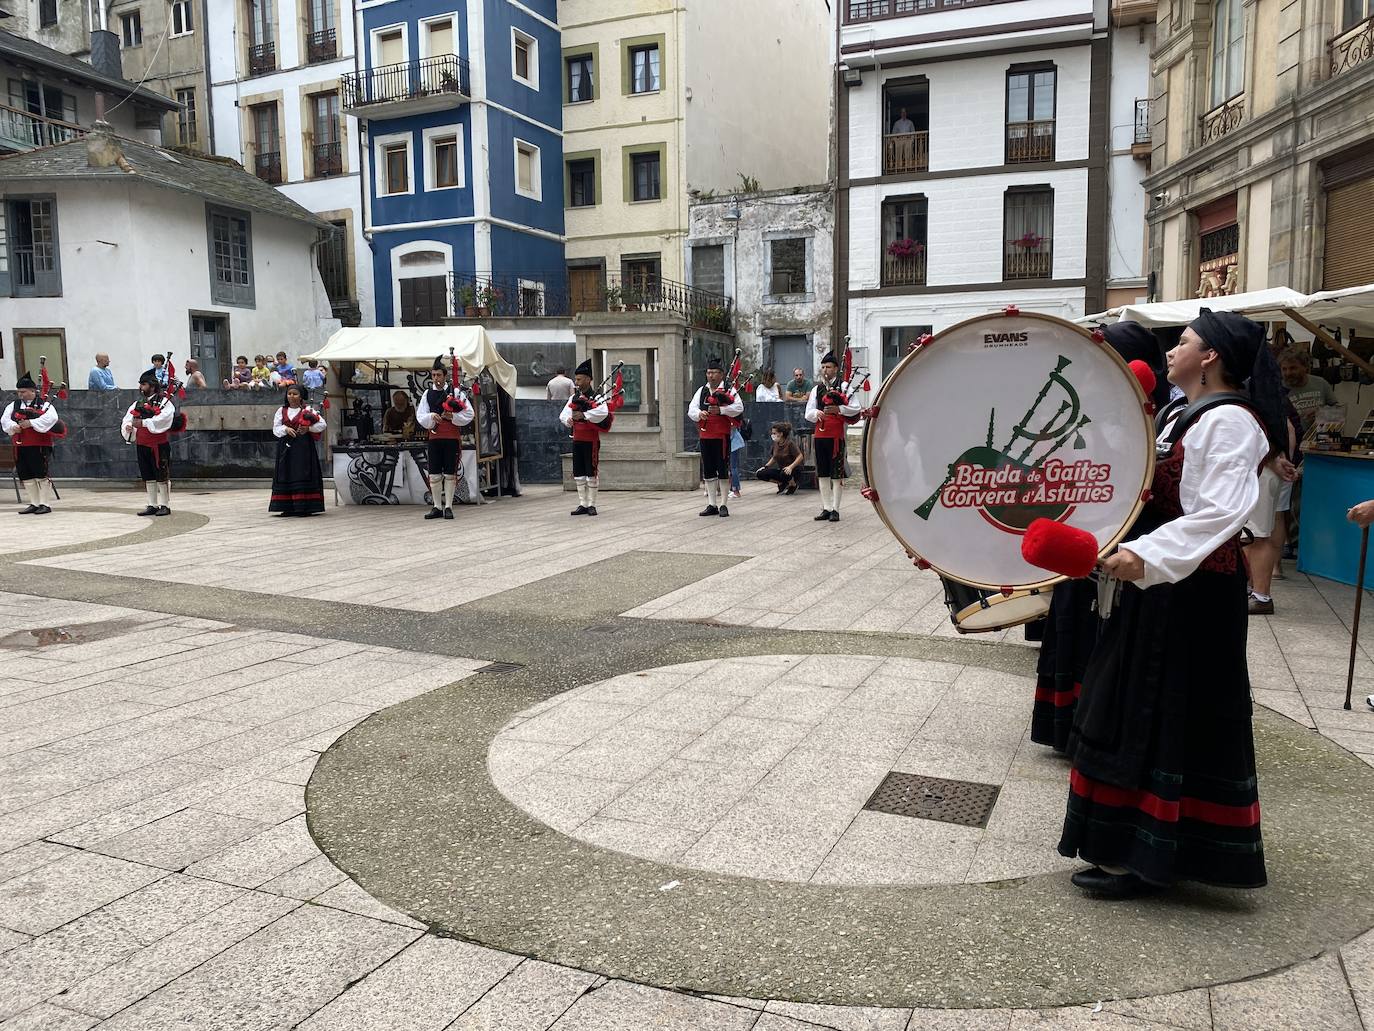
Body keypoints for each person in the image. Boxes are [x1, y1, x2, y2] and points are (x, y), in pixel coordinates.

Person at [1058, 309, 1282, 899]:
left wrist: (1148, 557)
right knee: (1137, 706)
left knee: (1165, 710)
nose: (1171, 352)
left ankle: (1150, 856)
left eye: (1182, 342)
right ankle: (1132, 847)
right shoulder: (1186, 414)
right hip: (1162, 586)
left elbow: (1219, 513)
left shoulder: (1231, 422)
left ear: (1210, 357)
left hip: (1192, 592)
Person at [1032, 321, 1169, 752]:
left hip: (1122, 536)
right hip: (1084, 531)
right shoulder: (1092, 405)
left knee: (1103, 633)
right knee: (1076, 625)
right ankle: (1068, 726)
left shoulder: (1147, 414)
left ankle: (1094, 728)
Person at [805, 351, 861, 523]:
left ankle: (836, 509)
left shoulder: (844, 387)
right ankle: (826, 507)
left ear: (836, 368)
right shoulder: (817, 389)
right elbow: (808, 413)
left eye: (828, 367)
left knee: (836, 473)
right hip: (820, 435)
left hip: (837, 436)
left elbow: (856, 408)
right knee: (822, 473)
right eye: (822, 367)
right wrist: (817, 412)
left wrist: (839, 409)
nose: (825, 370)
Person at [416, 357, 473, 520]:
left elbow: (469, 413)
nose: (436, 378)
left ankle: (448, 506)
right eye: (433, 375)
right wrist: (431, 416)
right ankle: (436, 506)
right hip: (434, 438)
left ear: (445, 375)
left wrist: (452, 416)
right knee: (434, 474)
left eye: (438, 375)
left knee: (449, 474)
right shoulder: (427, 394)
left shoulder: (455, 392)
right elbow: (420, 415)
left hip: (451, 438)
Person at [688, 356, 743, 517]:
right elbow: (691, 409)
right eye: (708, 372)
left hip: (722, 435)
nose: (710, 376)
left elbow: (738, 407)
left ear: (721, 374)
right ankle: (712, 504)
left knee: (722, 469)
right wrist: (700, 413)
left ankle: (724, 503)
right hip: (706, 435)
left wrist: (722, 411)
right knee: (709, 470)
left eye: (714, 372)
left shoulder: (728, 389)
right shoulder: (702, 390)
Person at [2, 372, 60, 515]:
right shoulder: (13, 405)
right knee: (25, 474)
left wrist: (31, 423)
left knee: (40, 473)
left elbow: (52, 419)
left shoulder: (44, 404)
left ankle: (45, 504)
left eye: (23, 392)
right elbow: (5, 420)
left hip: (39, 444)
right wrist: (12, 426)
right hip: (20, 444)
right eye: (19, 392)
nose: (20, 395)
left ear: (33, 391)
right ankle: (34, 503)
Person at [122, 370, 177, 517]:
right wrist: (129, 427)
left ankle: (165, 505)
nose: (141, 387)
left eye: (144, 384)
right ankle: (152, 504)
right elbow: (128, 418)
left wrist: (144, 422)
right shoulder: (137, 403)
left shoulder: (165, 402)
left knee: (162, 475)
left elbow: (165, 419)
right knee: (148, 475)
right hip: (142, 444)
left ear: (152, 386)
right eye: (140, 384)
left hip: (158, 445)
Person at [559, 359, 609, 516]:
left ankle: (592, 504)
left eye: (579, 379)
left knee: (591, 472)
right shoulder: (574, 398)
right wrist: (568, 420)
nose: (577, 382)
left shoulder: (597, 397)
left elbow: (603, 412)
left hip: (591, 441)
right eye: (576, 379)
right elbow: (564, 414)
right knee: (579, 471)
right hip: (577, 439)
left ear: (588, 379)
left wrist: (584, 414)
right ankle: (583, 503)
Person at [269, 384, 326, 516]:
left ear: (301, 396)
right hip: (286, 448)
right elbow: (275, 429)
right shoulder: (281, 411)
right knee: (286, 473)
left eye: (295, 394)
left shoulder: (308, 410)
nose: (292, 396)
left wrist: (308, 429)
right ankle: (287, 507)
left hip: (303, 448)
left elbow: (322, 424)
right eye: (289, 394)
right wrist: (286, 429)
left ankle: (304, 506)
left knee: (302, 473)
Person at [1279, 348, 1336, 431]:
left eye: (1293, 368)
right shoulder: (1277, 389)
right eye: (1284, 369)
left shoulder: (1321, 383)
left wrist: (1322, 413)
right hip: (1292, 440)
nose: (1288, 373)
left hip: (1321, 437)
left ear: (1305, 367)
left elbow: (1339, 411)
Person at [756, 421, 802, 495]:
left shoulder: (790, 443)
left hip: (793, 470)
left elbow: (800, 456)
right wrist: (765, 466)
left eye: (774, 433)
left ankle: (792, 484)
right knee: (760, 473)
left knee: (785, 472)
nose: (772, 435)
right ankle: (781, 483)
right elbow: (774, 457)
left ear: (781, 434)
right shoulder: (775, 444)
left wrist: (790, 467)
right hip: (781, 470)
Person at [728, 424, 746, 499]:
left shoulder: (732, 419)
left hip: (733, 445)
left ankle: (736, 490)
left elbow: (730, 433)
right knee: (732, 467)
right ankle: (732, 489)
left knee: (733, 467)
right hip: (734, 444)